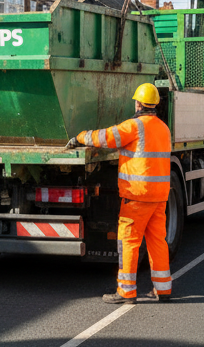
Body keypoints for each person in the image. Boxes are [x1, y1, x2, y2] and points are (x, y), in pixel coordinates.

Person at [68, 83, 173, 304]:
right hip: (159, 196)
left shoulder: (134, 127)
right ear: (154, 104)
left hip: (137, 196)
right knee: (157, 242)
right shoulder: (163, 128)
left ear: (137, 103)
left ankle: (126, 292)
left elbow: (105, 137)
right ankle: (163, 289)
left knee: (129, 243)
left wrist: (80, 137)